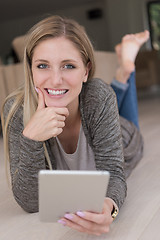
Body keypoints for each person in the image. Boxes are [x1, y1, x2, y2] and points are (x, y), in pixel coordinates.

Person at [1, 15, 148, 236]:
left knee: (118, 111)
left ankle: (126, 69)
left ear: (86, 70)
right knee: (98, 97)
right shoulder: (16, 110)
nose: (55, 79)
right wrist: (31, 138)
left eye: (68, 66)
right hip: (91, 102)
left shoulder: (97, 96)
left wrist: (109, 207)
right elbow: (30, 202)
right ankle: (122, 72)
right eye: (43, 66)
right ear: (31, 70)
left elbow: (115, 173)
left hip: (125, 135)